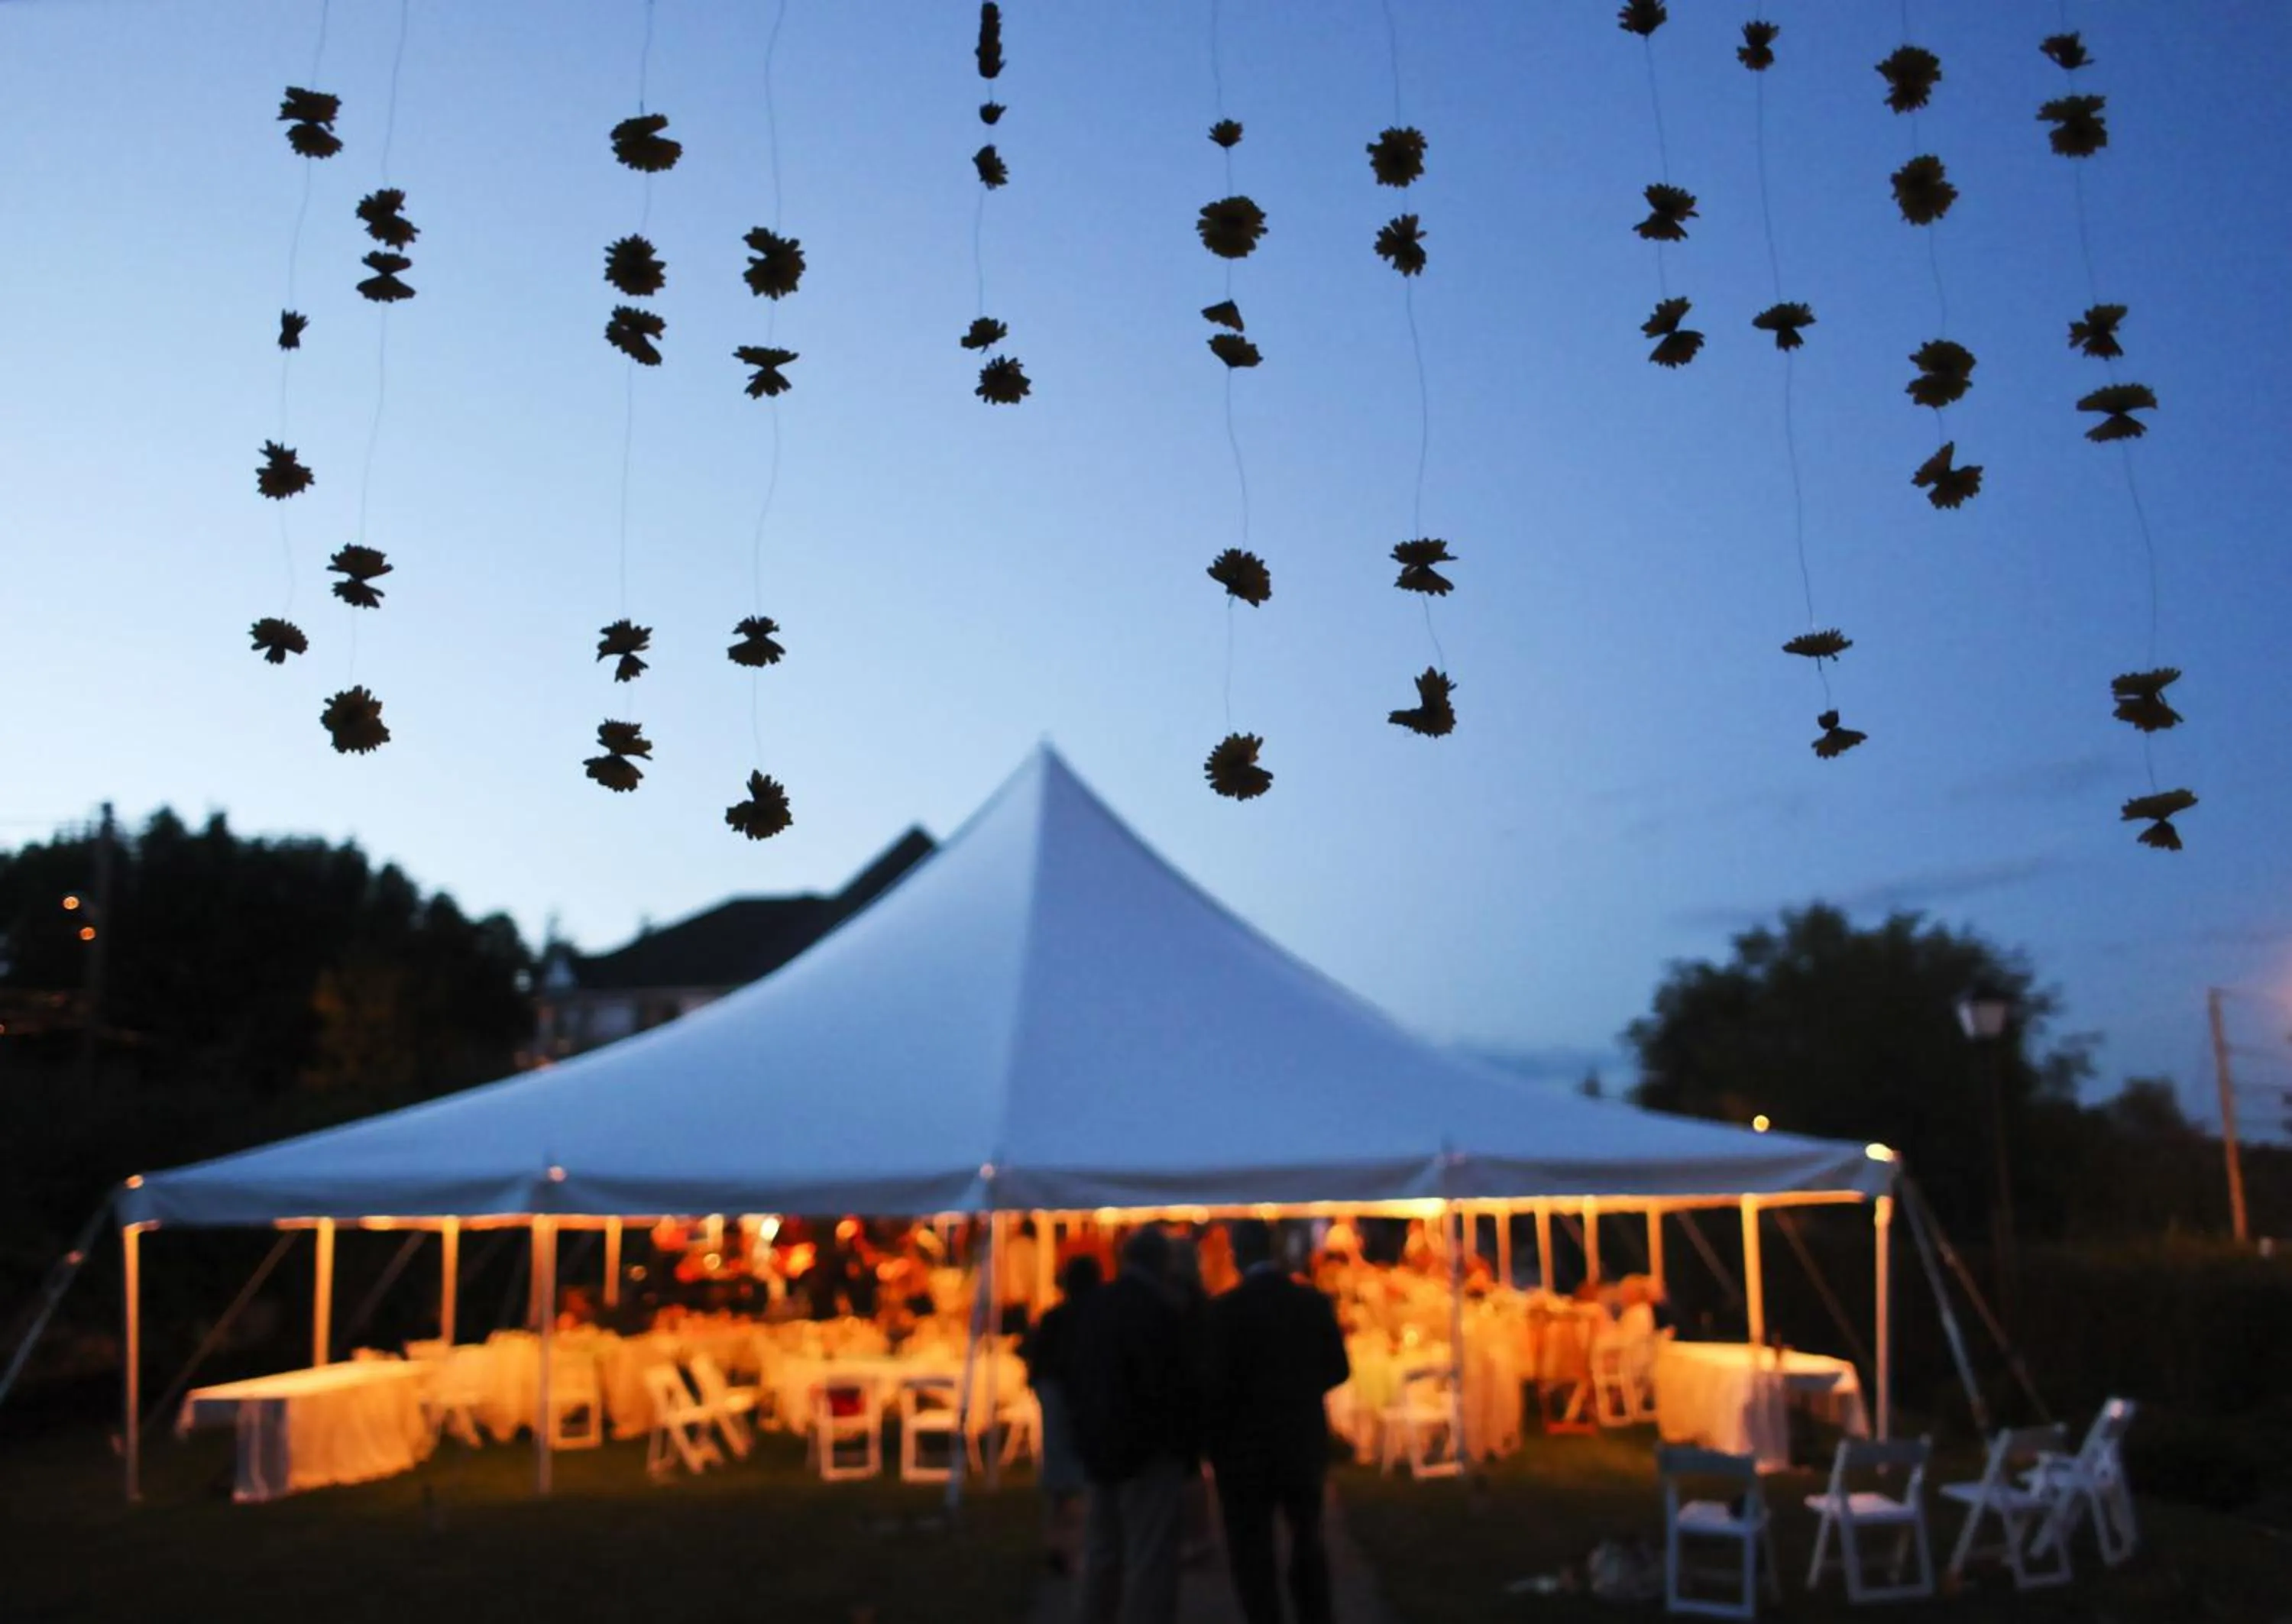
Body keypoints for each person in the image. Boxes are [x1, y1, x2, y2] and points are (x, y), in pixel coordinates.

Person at [1204, 1218, 1351, 1624]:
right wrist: (1301, 1390)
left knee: (1252, 1548)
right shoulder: (1311, 1302)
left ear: (1237, 1255)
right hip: (1299, 1439)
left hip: (1242, 1449)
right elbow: (1338, 1369)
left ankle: (1264, 1614)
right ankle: (1314, 1611)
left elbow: (1212, 1383)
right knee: (1307, 1535)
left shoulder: (1224, 1312)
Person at [1067, 1224, 1199, 1624]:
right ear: (1162, 1263)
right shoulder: (1161, 1310)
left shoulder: (1096, 1306)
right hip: (1148, 1452)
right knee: (1151, 1560)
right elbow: (1170, 1386)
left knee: (1102, 1553)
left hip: (1101, 1445)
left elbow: (1078, 1374)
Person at [1022, 1254, 1102, 1576]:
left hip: (1060, 1400)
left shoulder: (1055, 1318)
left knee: (1060, 1478)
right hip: (1079, 1402)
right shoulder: (1092, 1319)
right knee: (1079, 1478)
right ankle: (1072, 1546)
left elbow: (1036, 1364)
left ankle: (1058, 1543)